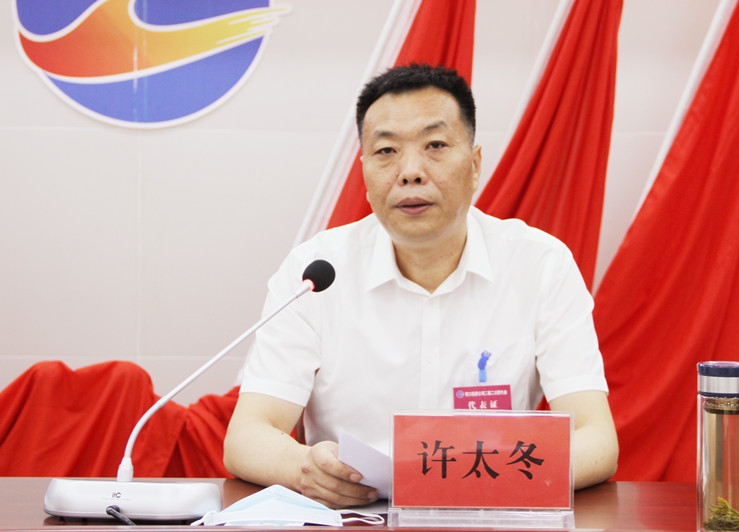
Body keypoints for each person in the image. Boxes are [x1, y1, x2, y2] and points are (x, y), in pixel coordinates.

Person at [224, 64, 618, 508]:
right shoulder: (316, 273)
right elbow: (248, 436)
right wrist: (307, 467)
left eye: (435, 146)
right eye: (386, 151)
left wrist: (483, 476)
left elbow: (596, 438)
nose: (410, 171)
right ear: (364, 173)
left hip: (490, 511)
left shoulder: (540, 264)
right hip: (357, 514)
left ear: (475, 165)